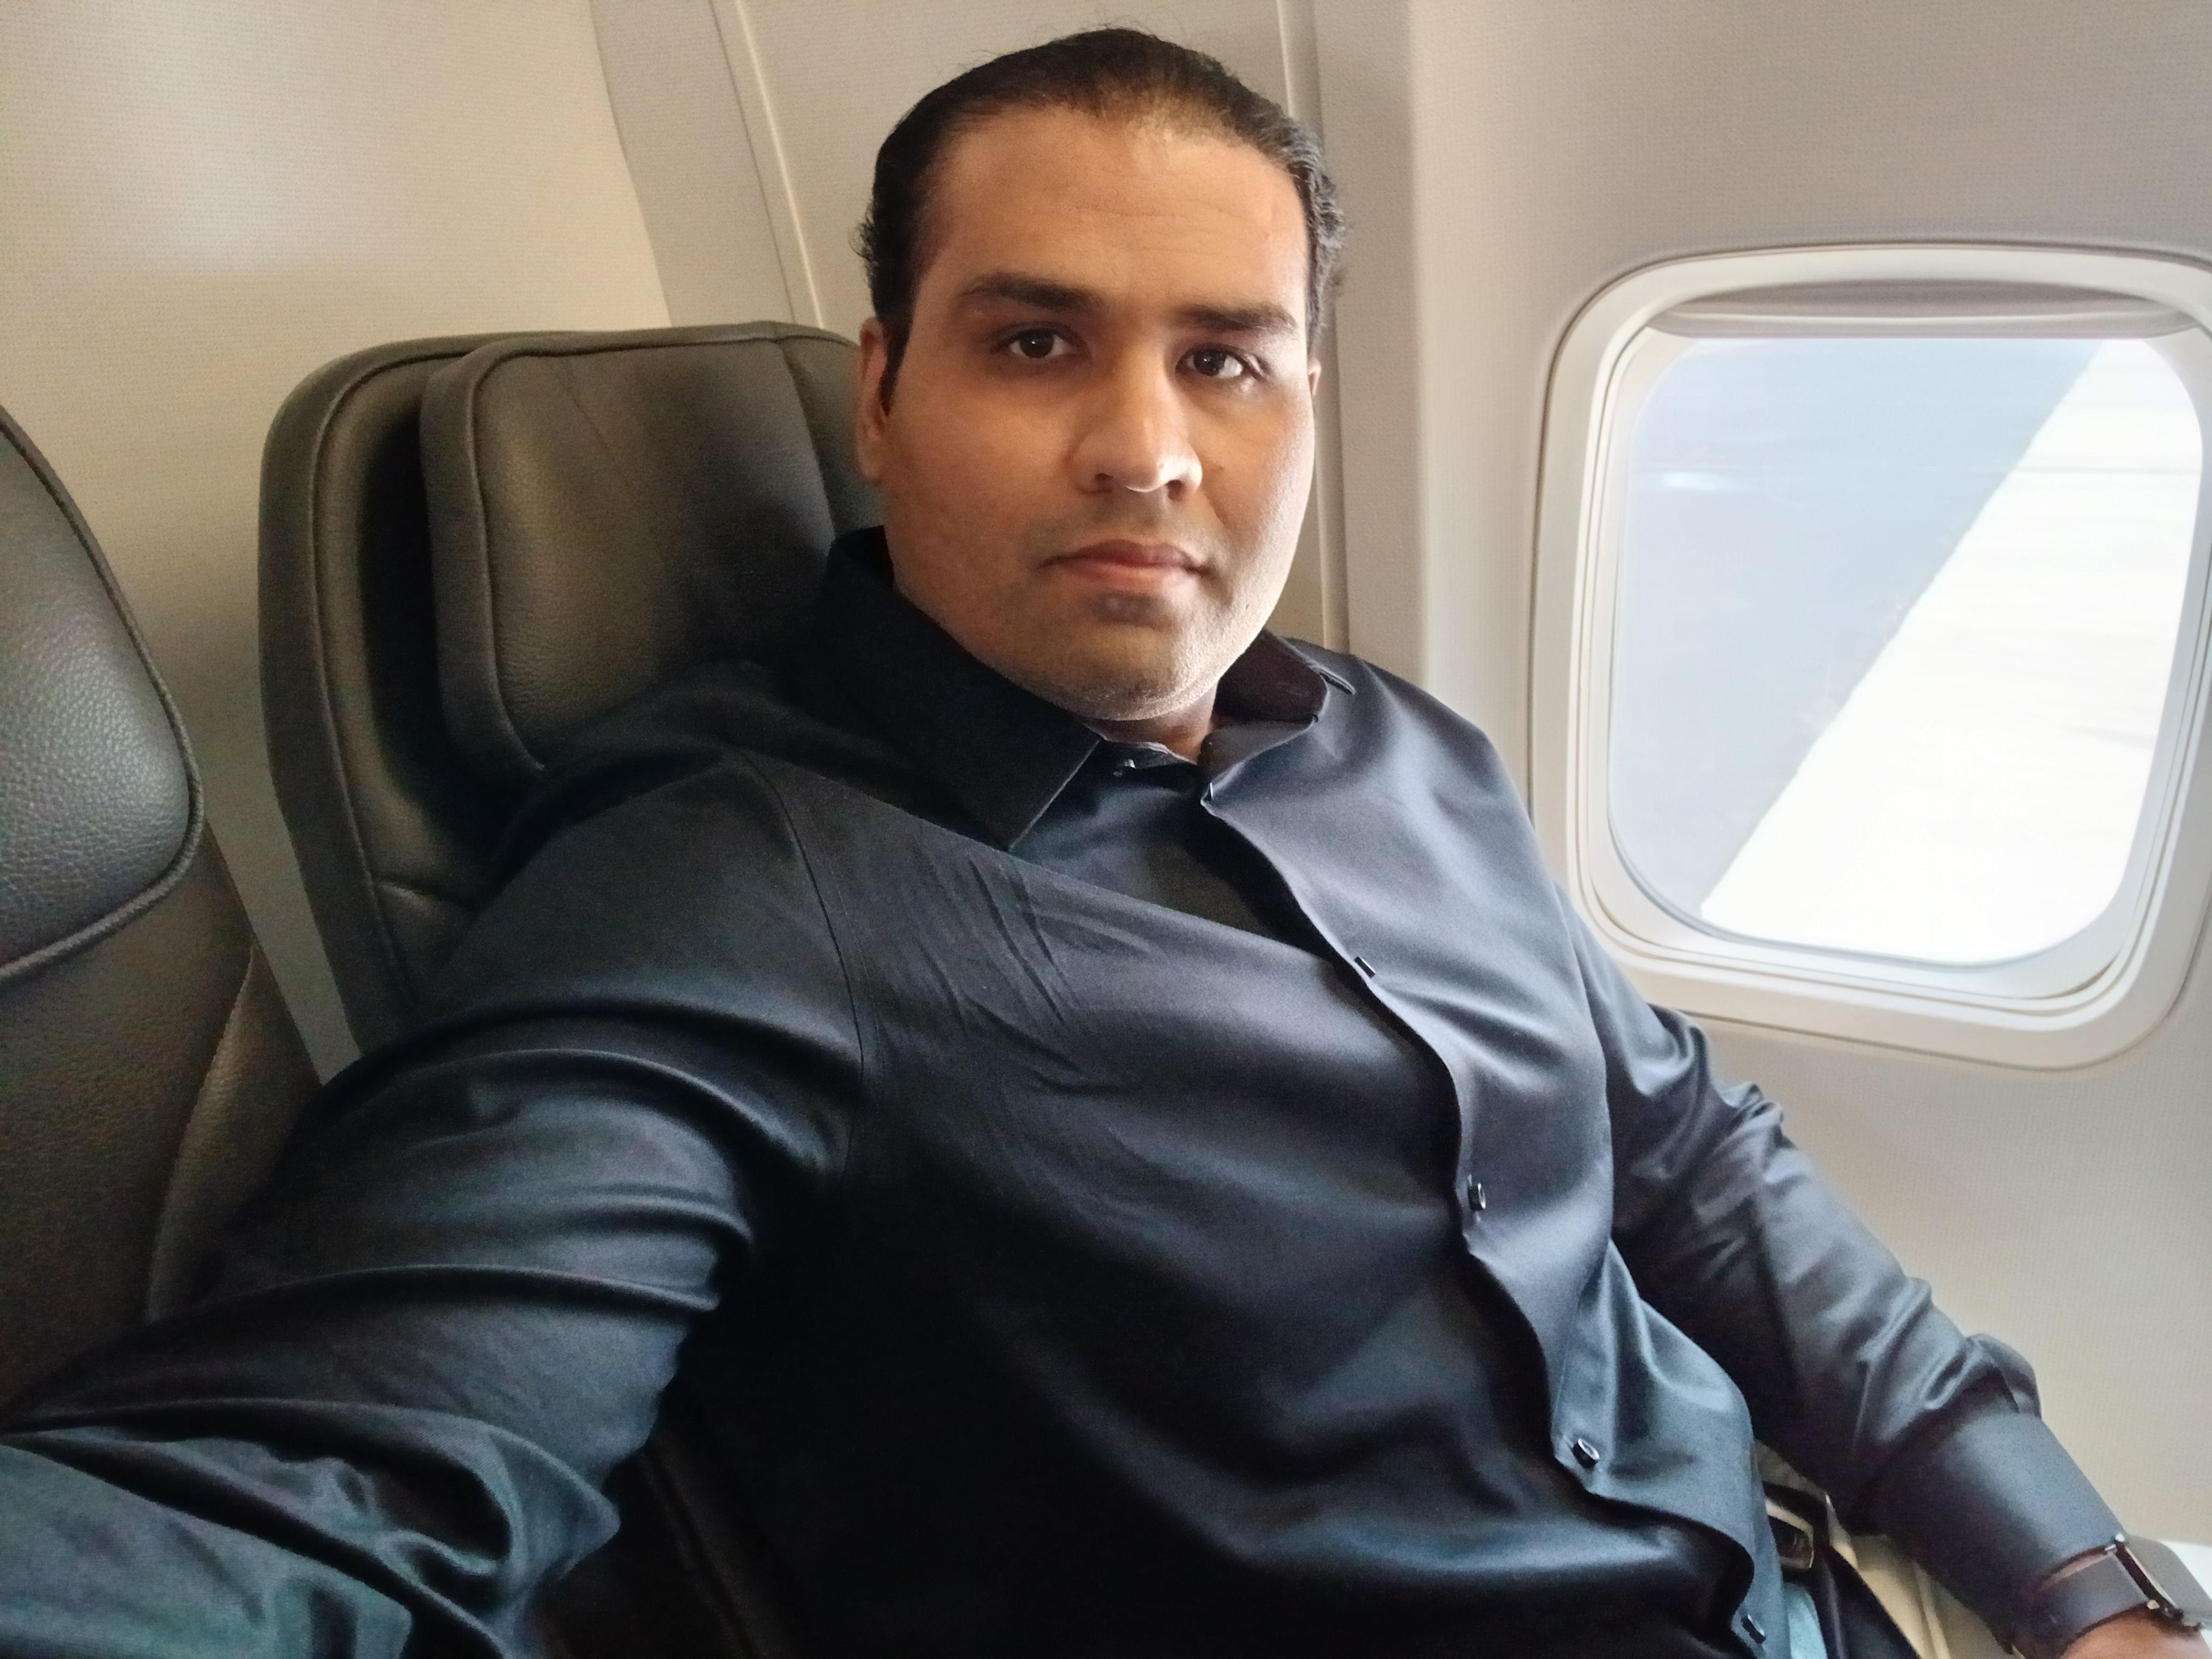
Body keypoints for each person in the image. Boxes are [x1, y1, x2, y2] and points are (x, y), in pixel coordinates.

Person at [0, 27, 2202, 1659]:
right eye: (1038, 340)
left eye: (1229, 361)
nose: (1145, 449)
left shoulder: (1402, 753)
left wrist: (2074, 1580)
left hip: (1809, 1592)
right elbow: (335, 1475)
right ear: (882, 395)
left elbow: (1700, 1164)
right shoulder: (725, 895)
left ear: (1308, 410)